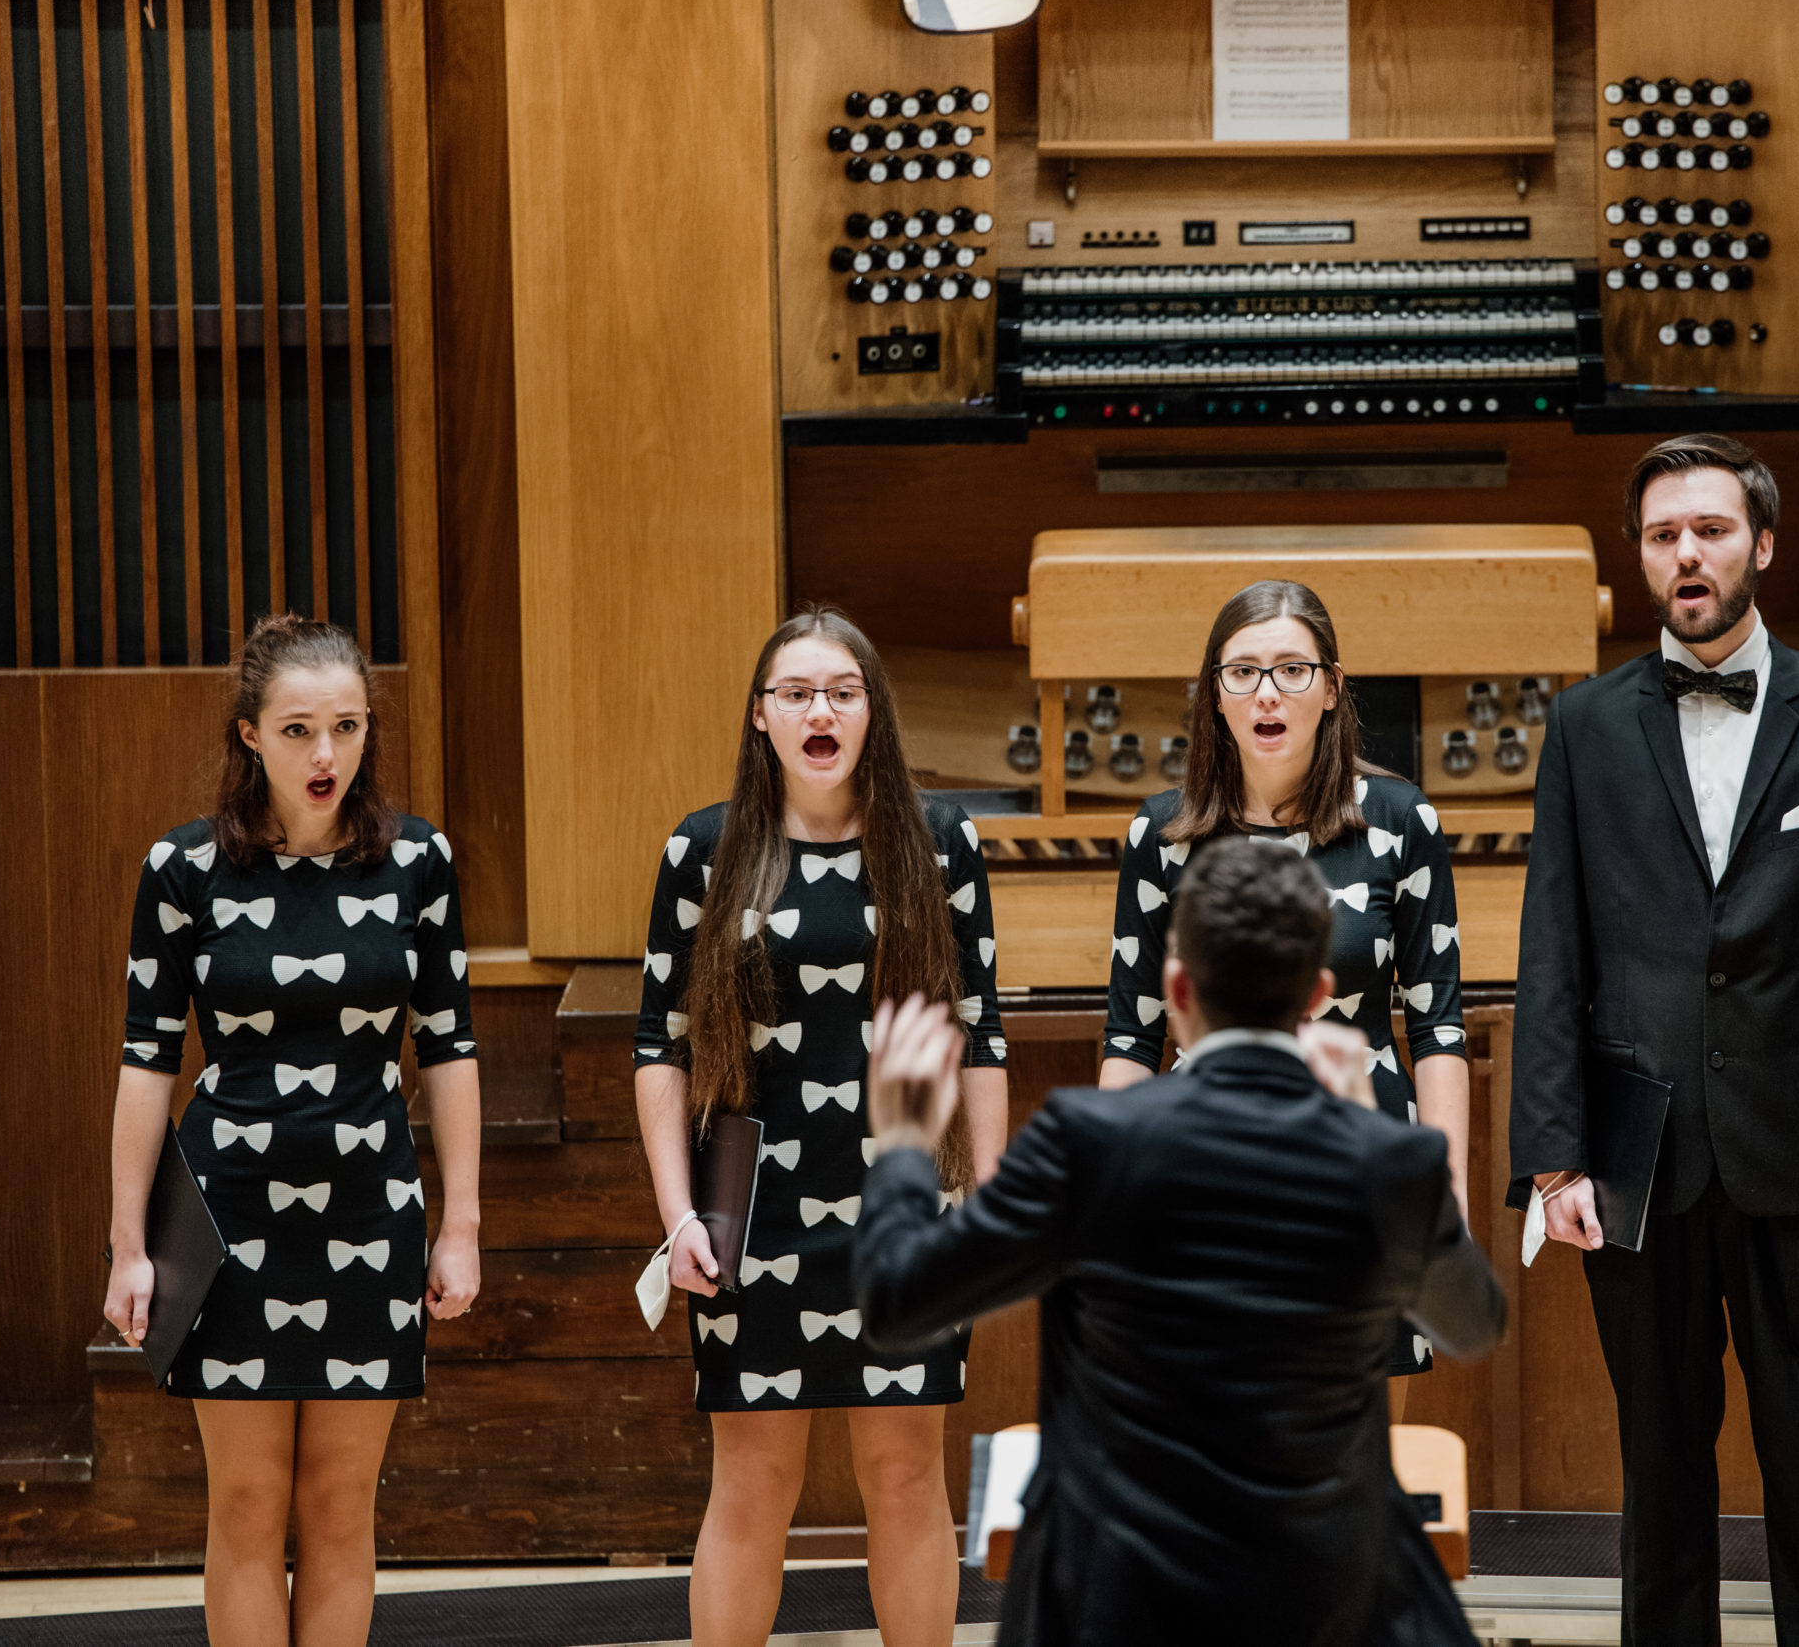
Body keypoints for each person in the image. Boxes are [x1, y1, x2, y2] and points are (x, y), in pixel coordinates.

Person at [855, 840, 1503, 1647]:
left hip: (1119, 1604)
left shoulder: (1086, 1141)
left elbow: (896, 1300)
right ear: (1318, 994)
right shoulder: (1386, 1158)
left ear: (1177, 988)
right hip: (1324, 1604)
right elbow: (1474, 1323)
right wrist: (1368, 1138)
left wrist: (905, 1141)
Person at [1511, 433, 1799, 1647]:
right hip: (1633, 1157)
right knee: (1656, 1462)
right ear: (1640, 559)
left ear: (1762, 544)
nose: (1685, 554)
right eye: (1662, 536)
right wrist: (1552, 1158)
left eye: (1707, 530)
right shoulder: (1581, 724)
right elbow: (1553, 948)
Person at [102, 615, 482, 1647]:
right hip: (226, 1218)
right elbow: (146, 1061)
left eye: (347, 727)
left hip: (370, 1205)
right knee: (245, 1504)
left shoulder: (419, 860)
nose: (327, 754)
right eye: (299, 729)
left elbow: (449, 1047)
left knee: (341, 1506)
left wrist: (460, 1226)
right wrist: (129, 1243)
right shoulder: (182, 868)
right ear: (249, 735)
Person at [634, 607, 1006, 1647]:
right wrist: (678, 1219)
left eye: (843, 692)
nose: (820, 712)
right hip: (754, 1213)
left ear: (872, 712)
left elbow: (980, 1034)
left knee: (906, 1473)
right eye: (796, 694)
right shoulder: (703, 848)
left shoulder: (940, 841)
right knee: (754, 1481)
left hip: (909, 1204)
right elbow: (660, 1045)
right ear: (761, 716)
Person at [1101, 579, 1469, 1381]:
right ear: (1214, 694)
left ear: (1331, 688)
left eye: (1292, 670)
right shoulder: (1159, 832)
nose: (1267, 692)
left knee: (1365, 1441)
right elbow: (1132, 1035)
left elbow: (1438, 1025)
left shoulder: (1401, 820)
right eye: (1243, 672)